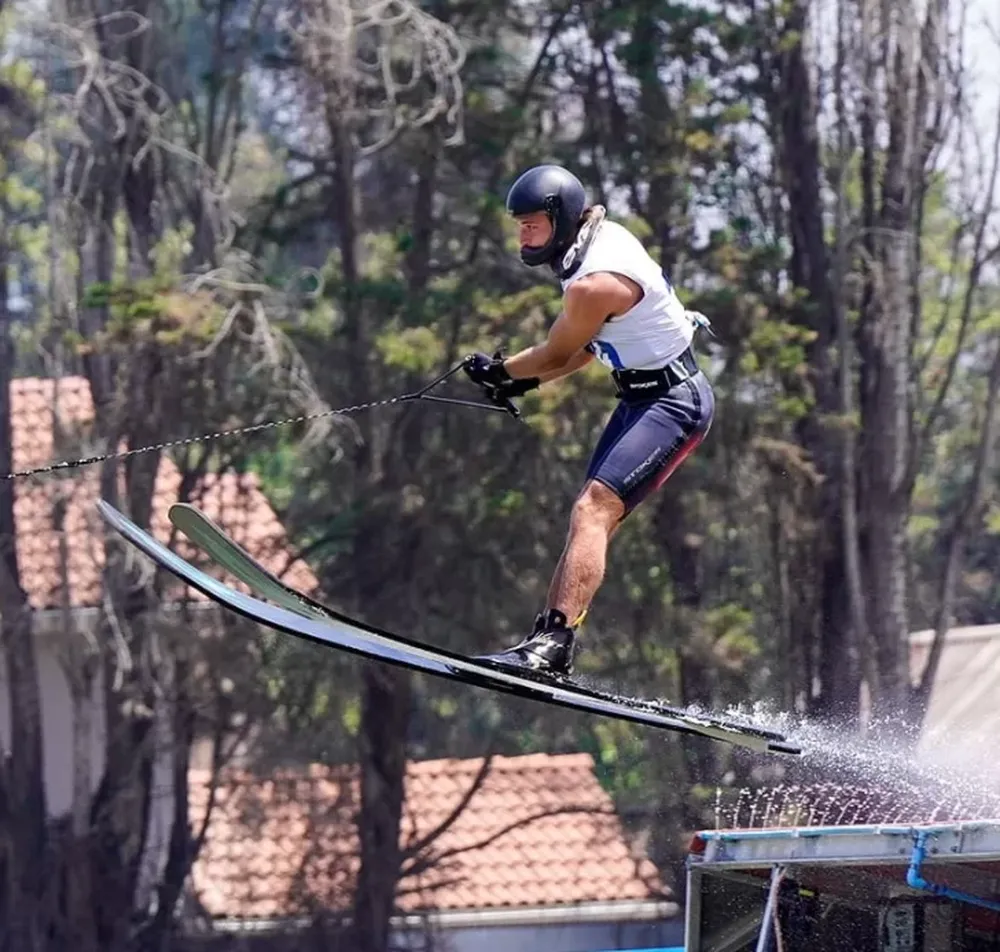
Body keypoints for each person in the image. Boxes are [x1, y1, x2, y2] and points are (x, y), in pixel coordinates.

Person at [463, 164, 715, 677]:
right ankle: (548, 639)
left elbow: (560, 350)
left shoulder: (593, 281)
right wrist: (519, 380)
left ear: (559, 218)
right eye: (519, 224)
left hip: (675, 403)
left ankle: (553, 645)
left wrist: (502, 370)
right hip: (642, 399)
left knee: (592, 510)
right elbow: (583, 352)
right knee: (589, 515)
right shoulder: (596, 244)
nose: (523, 233)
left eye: (532, 223)